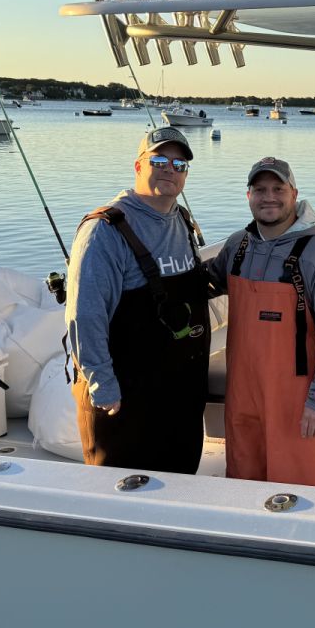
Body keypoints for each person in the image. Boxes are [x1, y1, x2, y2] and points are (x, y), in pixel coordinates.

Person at [65, 126, 211, 472]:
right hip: (124, 399)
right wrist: (103, 385)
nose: (169, 170)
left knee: (182, 484)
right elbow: (85, 316)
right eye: (159, 161)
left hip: (179, 395)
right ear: (138, 166)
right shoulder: (105, 230)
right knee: (122, 491)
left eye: (179, 164)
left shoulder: (182, 220)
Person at [207, 158, 315, 486]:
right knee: (242, 485)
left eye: (278, 189)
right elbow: (203, 285)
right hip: (243, 397)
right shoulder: (237, 246)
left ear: (294, 194)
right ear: (249, 196)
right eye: (260, 190)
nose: (269, 197)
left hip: (299, 402)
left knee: (299, 495)